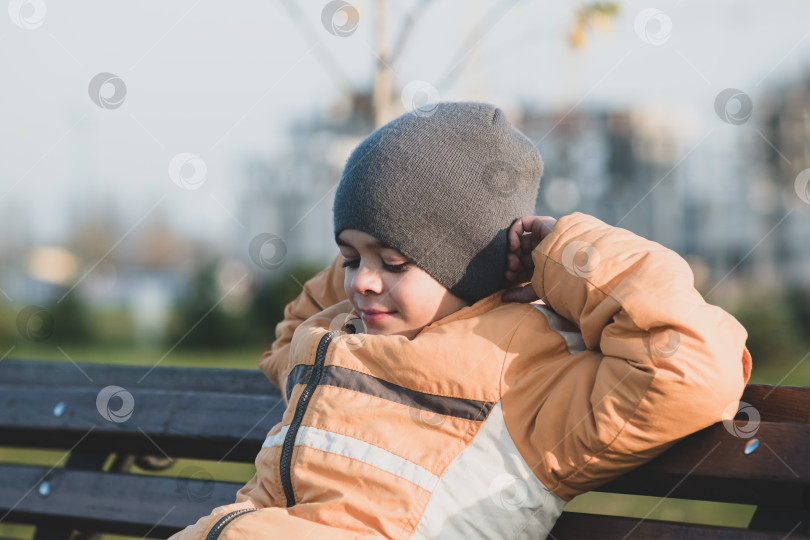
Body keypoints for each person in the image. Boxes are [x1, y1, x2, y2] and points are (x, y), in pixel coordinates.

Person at [169, 102, 752, 539]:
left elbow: (689, 365)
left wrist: (565, 253)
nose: (361, 281)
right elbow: (284, 341)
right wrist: (375, 246)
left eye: (392, 261)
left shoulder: (526, 374)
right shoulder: (338, 336)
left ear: (471, 265)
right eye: (350, 258)